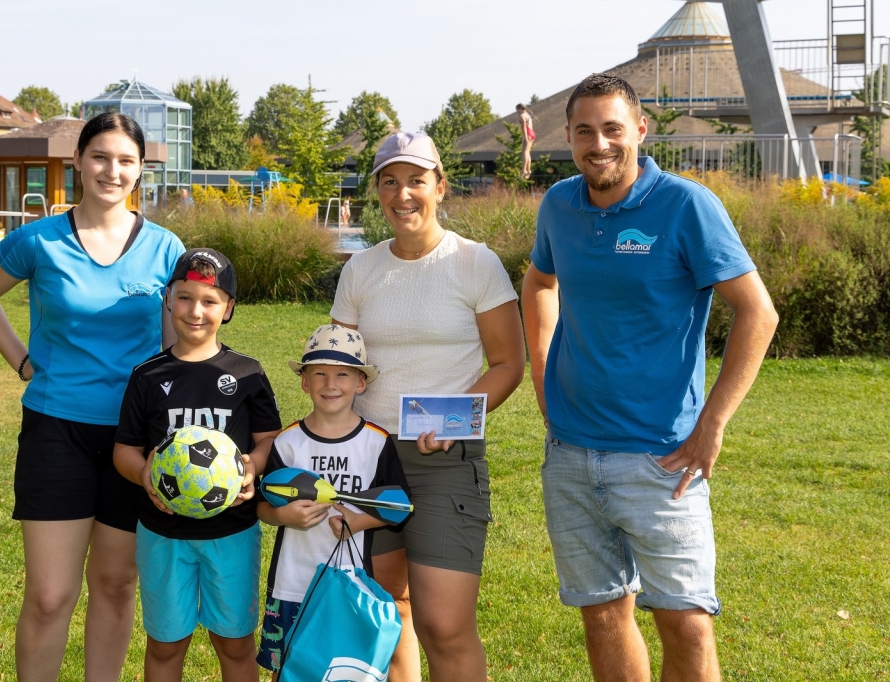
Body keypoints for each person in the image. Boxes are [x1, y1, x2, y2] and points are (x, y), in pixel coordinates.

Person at [521, 74, 779, 682]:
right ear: (569, 136)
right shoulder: (559, 204)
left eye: (613, 128)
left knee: (687, 624)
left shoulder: (686, 206)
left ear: (639, 129)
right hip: (572, 457)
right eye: (585, 131)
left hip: (664, 461)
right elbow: (539, 283)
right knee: (604, 615)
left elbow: (758, 311)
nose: (599, 144)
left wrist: (712, 423)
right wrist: (543, 374)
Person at [0, 112, 185, 682]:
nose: (113, 171)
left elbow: (174, 349)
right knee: (50, 595)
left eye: (126, 161)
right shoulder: (38, 240)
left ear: (141, 170)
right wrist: (22, 361)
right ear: (79, 163)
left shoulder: (165, 248)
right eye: (101, 157)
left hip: (133, 440)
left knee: (115, 585)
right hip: (56, 432)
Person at [330, 132, 526, 682]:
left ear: (440, 186)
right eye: (389, 181)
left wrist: (450, 419)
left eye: (416, 180)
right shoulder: (360, 270)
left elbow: (509, 362)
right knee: (386, 609)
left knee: (444, 623)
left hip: (444, 460)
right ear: (377, 192)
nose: (403, 194)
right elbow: (342, 365)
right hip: (368, 461)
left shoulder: (474, 263)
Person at [113, 247, 283, 682]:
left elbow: (269, 442)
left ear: (228, 309)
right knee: (166, 647)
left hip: (232, 533)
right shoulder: (147, 375)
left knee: (235, 646)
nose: (195, 311)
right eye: (185, 297)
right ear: (168, 299)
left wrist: (252, 469)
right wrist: (145, 475)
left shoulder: (246, 374)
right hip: (162, 534)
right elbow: (125, 451)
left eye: (209, 301)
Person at [255, 324, 410, 679]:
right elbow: (262, 506)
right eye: (319, 374)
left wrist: (356, 522)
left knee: (345, 671)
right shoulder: (288, 443)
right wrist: (284, 517)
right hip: (291, 585)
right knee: (291, 671)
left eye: (343, 374)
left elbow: (400, 505)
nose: (330, 384)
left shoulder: (376, 442)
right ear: (304, 382)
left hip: (349, 588)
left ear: (360, 383)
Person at [516, 103, 535, 180]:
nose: (517, 111)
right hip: (532, 133)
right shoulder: (528, 115)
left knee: (524, 152)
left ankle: (523, 170)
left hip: (528, 134)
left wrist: (525, 137)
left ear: (520, 108)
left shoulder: (522, 116)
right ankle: (528, 170)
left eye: (517, 110)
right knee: (528, 152)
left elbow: (523, 127)